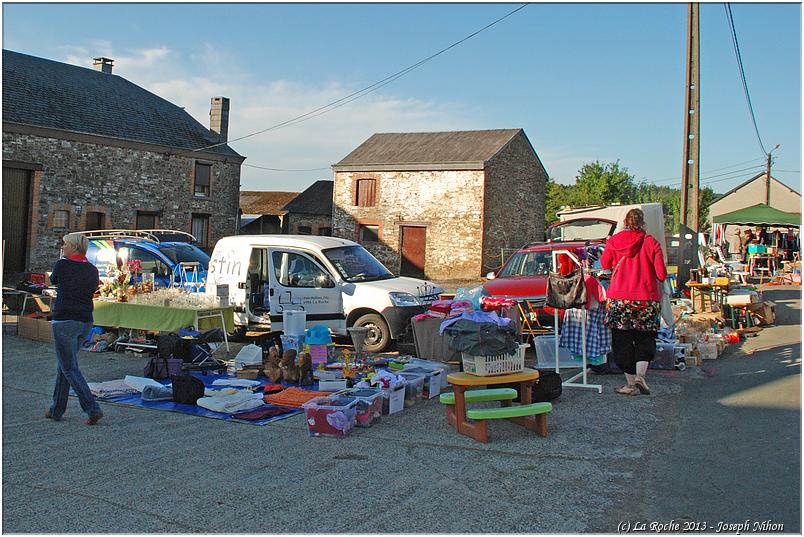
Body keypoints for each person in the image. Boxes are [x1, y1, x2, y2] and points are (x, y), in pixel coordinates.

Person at [600, 209, 667, 396]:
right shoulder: (652, 242)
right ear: (643, 222)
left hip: (619, 299)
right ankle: (640, 376)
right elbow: (661, 274)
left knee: (622, 341)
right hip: (647, 299)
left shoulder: (614, 241)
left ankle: (630, 385)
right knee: (645, 338)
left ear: (624, 222)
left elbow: (605, 264)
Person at [45, 233, 104, 425]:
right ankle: (57, 409)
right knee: (65, 366)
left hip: (65, 320)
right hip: (85, 320)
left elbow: (52, 281)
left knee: (69, 367)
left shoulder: (63, 265)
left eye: (65, 245)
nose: (63, 248)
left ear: (73, 247)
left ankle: (92, 408)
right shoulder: (92, 270)